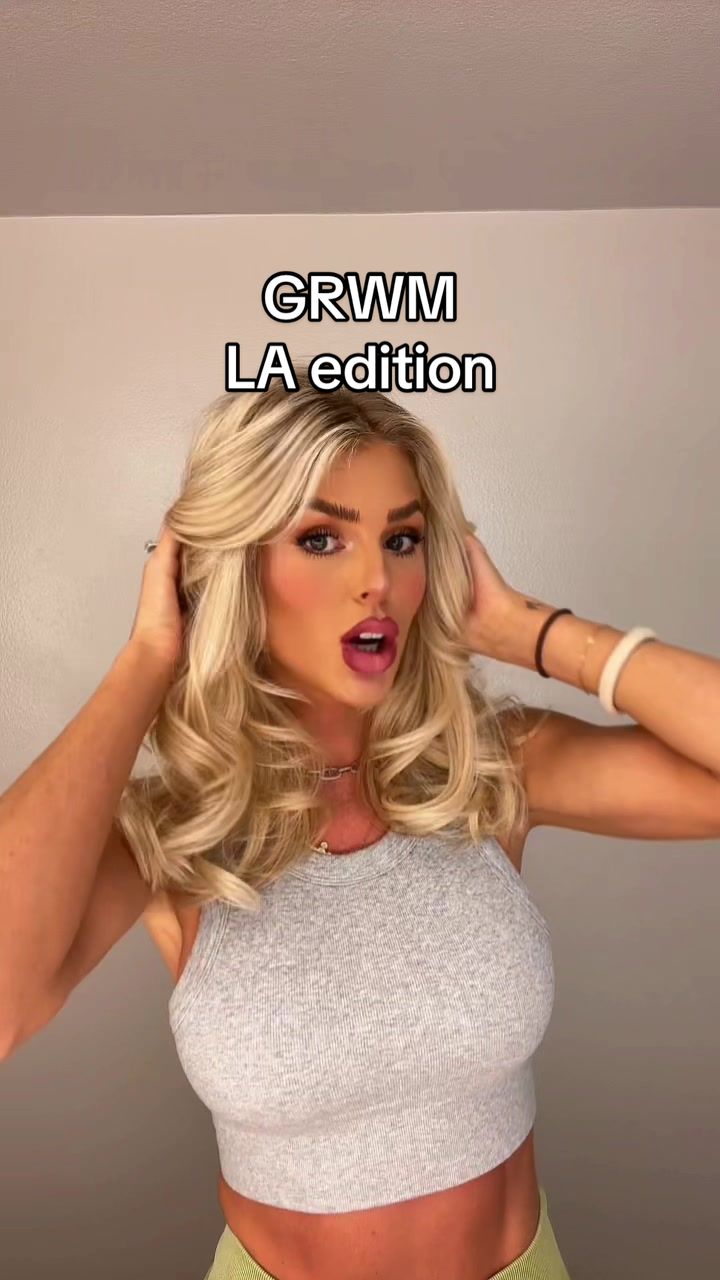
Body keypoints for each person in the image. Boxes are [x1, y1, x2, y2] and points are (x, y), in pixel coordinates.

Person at [5, 370, 718, 1278]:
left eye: (403, 539)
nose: (376, 580)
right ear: (233, 568)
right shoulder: (175, 830)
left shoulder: (489, 767)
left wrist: (528, 631)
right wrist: (149, 657)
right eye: (320, 539)